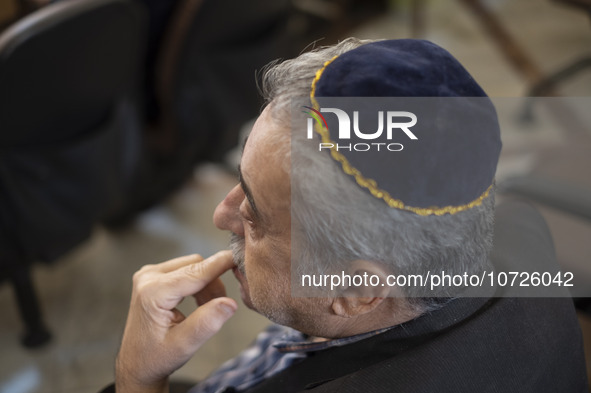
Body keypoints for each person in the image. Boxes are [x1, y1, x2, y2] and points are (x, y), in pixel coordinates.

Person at [111, 38, 589, 393]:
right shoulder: (518, 228)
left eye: (254, 216)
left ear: (357, 292)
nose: (222, 214)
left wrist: (139, 378)